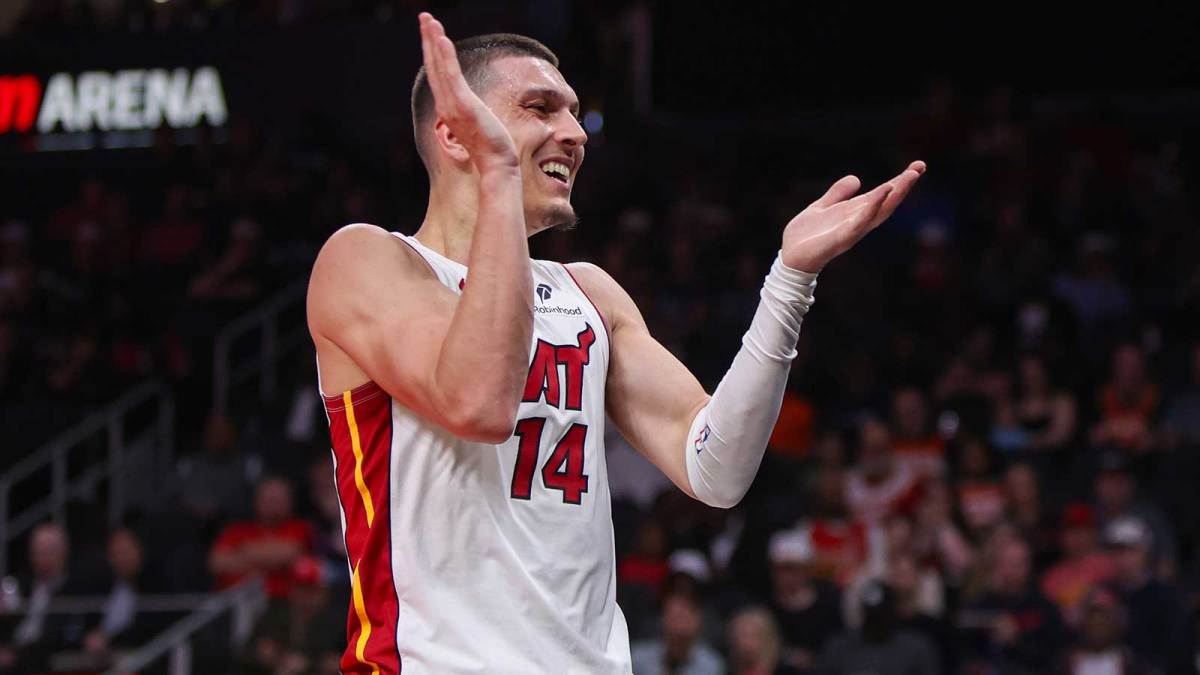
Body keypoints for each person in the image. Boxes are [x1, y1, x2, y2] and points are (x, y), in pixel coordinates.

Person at [305, 13, 924, 672]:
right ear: (456, 133)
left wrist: (789, 281)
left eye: (574, 113)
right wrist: (499, 177)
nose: (573, 134)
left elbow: (714, 468)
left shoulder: (589, 293)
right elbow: (479, 402)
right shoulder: (367, 262)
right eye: (540, 108)